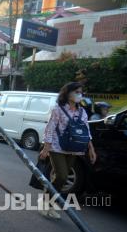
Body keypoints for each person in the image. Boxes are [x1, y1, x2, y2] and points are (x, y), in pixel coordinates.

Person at [39, 82, 97, 219]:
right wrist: (46, 148)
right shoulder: (58, 109)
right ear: (67, 93)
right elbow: (51, 127)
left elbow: (86, 130)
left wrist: (91, 149)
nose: (79, 95)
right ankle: (44, 203)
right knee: (62, 175)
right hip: (57, 147)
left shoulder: (82, 111)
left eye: (81, 92)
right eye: (76, 92)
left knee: (61, 179)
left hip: (74, 148)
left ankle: (50, 205)